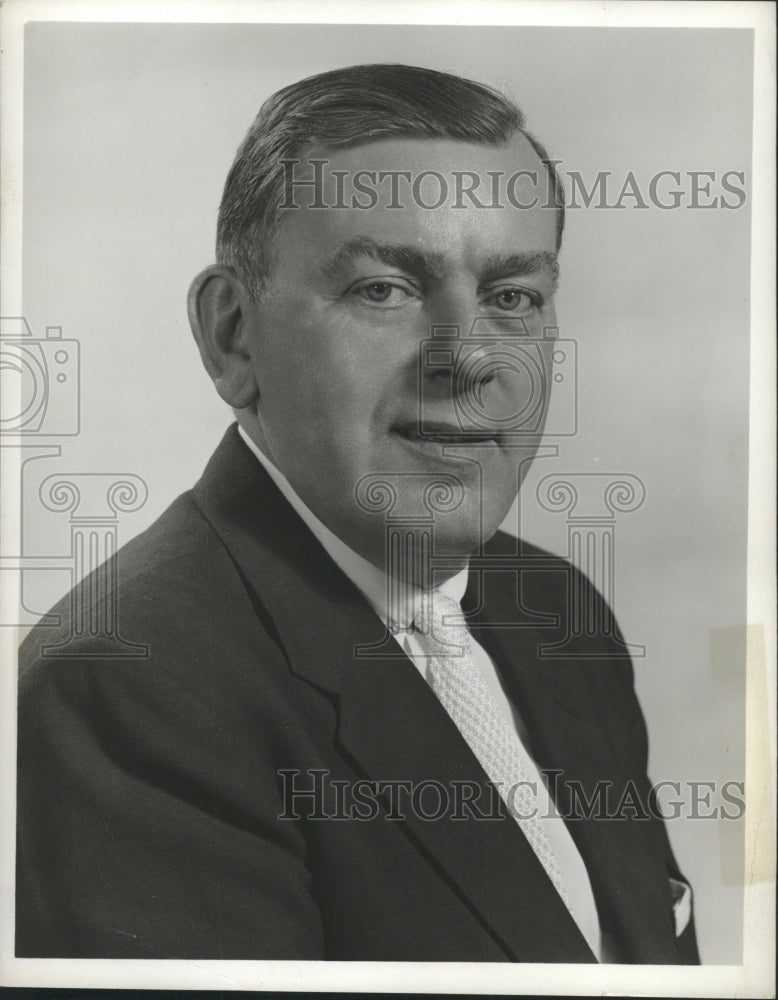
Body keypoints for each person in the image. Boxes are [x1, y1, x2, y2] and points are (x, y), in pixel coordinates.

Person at [16, 63, 699, 963]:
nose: (468, 359)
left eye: (513, 297)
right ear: (232, 335)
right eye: (385, 289)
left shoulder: (557, 609)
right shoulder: (124, 692)